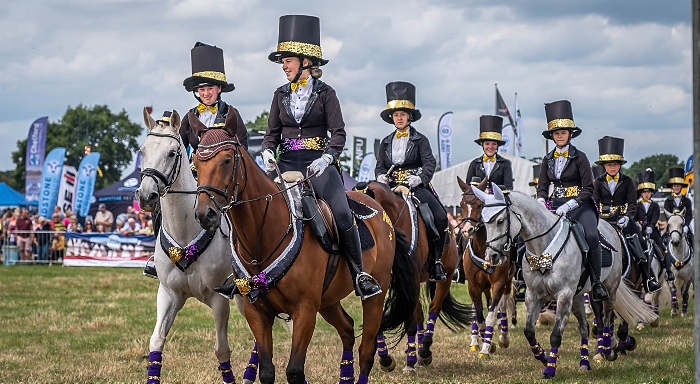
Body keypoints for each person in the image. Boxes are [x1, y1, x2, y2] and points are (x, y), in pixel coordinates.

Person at [214, 15, 381, 300]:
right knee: (249, 204)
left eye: (287, 60)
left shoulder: (327, 94)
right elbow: (271, 134)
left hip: (319, 165)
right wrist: (267, 151)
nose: (283, 66)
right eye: (283, 61)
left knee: (341, 212)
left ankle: (360, 274)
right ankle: (240, 272)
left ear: (305, 61)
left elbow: (338, 133)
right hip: (286, 163)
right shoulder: (279, 95)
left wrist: (327, 158)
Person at [536, 100, 609, 302]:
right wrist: (541, 201)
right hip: (555, 205)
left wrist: (571, 204)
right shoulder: (547, 159)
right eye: (556, 133)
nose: (560, 136)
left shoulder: (580, 157)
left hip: (579, 205)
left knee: (592, 235)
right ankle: (527, 279)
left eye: (564, 132)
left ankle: (596, 283)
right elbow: (542, 187)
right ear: (552, 136)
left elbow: (589, 188)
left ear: (570, 134)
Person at [375, 81, 447, 282]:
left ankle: (436, 261)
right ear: (392, 117)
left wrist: (419, 179)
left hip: (415, 187)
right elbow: (380, 165)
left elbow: (430, 163)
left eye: (402, 114)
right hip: (390, 188)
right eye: (396, 114)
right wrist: (380, 176)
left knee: (440, 217)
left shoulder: (421, 140)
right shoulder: (385, 142)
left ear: (409, 117)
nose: (399, 118)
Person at [592, 136, 661, 293]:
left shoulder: (628, 181)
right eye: (609, 164)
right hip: (603, 221)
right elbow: (594, 203)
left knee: (642, 244)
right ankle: (593, 281)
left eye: (615, 164)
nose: (613, 167)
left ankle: (648, 279)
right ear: (603, 165)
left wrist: (628, 217)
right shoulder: (597, 182)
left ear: (620, 165)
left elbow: (633, 203)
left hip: (624, 220)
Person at [179, 42, 249, 157]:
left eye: (210, 88)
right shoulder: (189, 117)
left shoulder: (231, 113)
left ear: (219, 88)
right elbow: (180, 148)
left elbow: (243, 148)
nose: (206, 94)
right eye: (202, 89)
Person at [635, 168, 675, 281]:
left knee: (664, 248)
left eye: (648, 192)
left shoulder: (655, 206)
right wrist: (640, 225)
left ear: (651, 193)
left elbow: (655, 218)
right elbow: (634, 217)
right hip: (640, 231)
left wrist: (651, 227)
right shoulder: (637, 205)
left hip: (652, 231)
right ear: (641, 193)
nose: (646, 194)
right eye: (644, 192)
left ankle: (668, 271)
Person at [465, 115, 514, 191]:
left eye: (494, 144)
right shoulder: (474, 164)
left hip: (498, 201)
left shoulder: (505, 164)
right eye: (487, 144)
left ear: (497, 146)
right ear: (482, 145)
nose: (490, 147)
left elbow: (509, 187)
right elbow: (468, 187)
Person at [664, 167, 693, 251]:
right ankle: (665, 262)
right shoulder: (667, 201)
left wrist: (686, 226)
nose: (676, 187)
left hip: (684, 227)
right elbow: (667, 216)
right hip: (672, 228)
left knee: (694, 240)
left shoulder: (687, 201)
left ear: (681, 187)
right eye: (674, 186)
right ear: (672, 187)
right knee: (663, 241)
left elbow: (689, 215)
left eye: (678, 186)